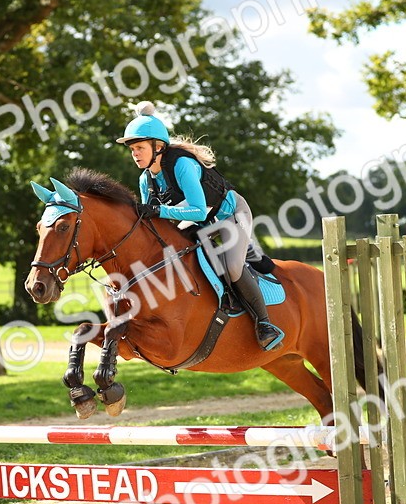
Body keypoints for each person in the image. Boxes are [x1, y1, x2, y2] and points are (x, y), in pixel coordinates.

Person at [116, 101, 284, 351]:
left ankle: (265, 325)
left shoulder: (182, 164)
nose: (135, 154)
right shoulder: (146, 180)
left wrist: (160, 210)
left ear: (158, 146)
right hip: (201, 221)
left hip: (229, 215)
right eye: (132, 150)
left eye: (139, 147)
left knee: (233, 268)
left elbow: (196, 207)